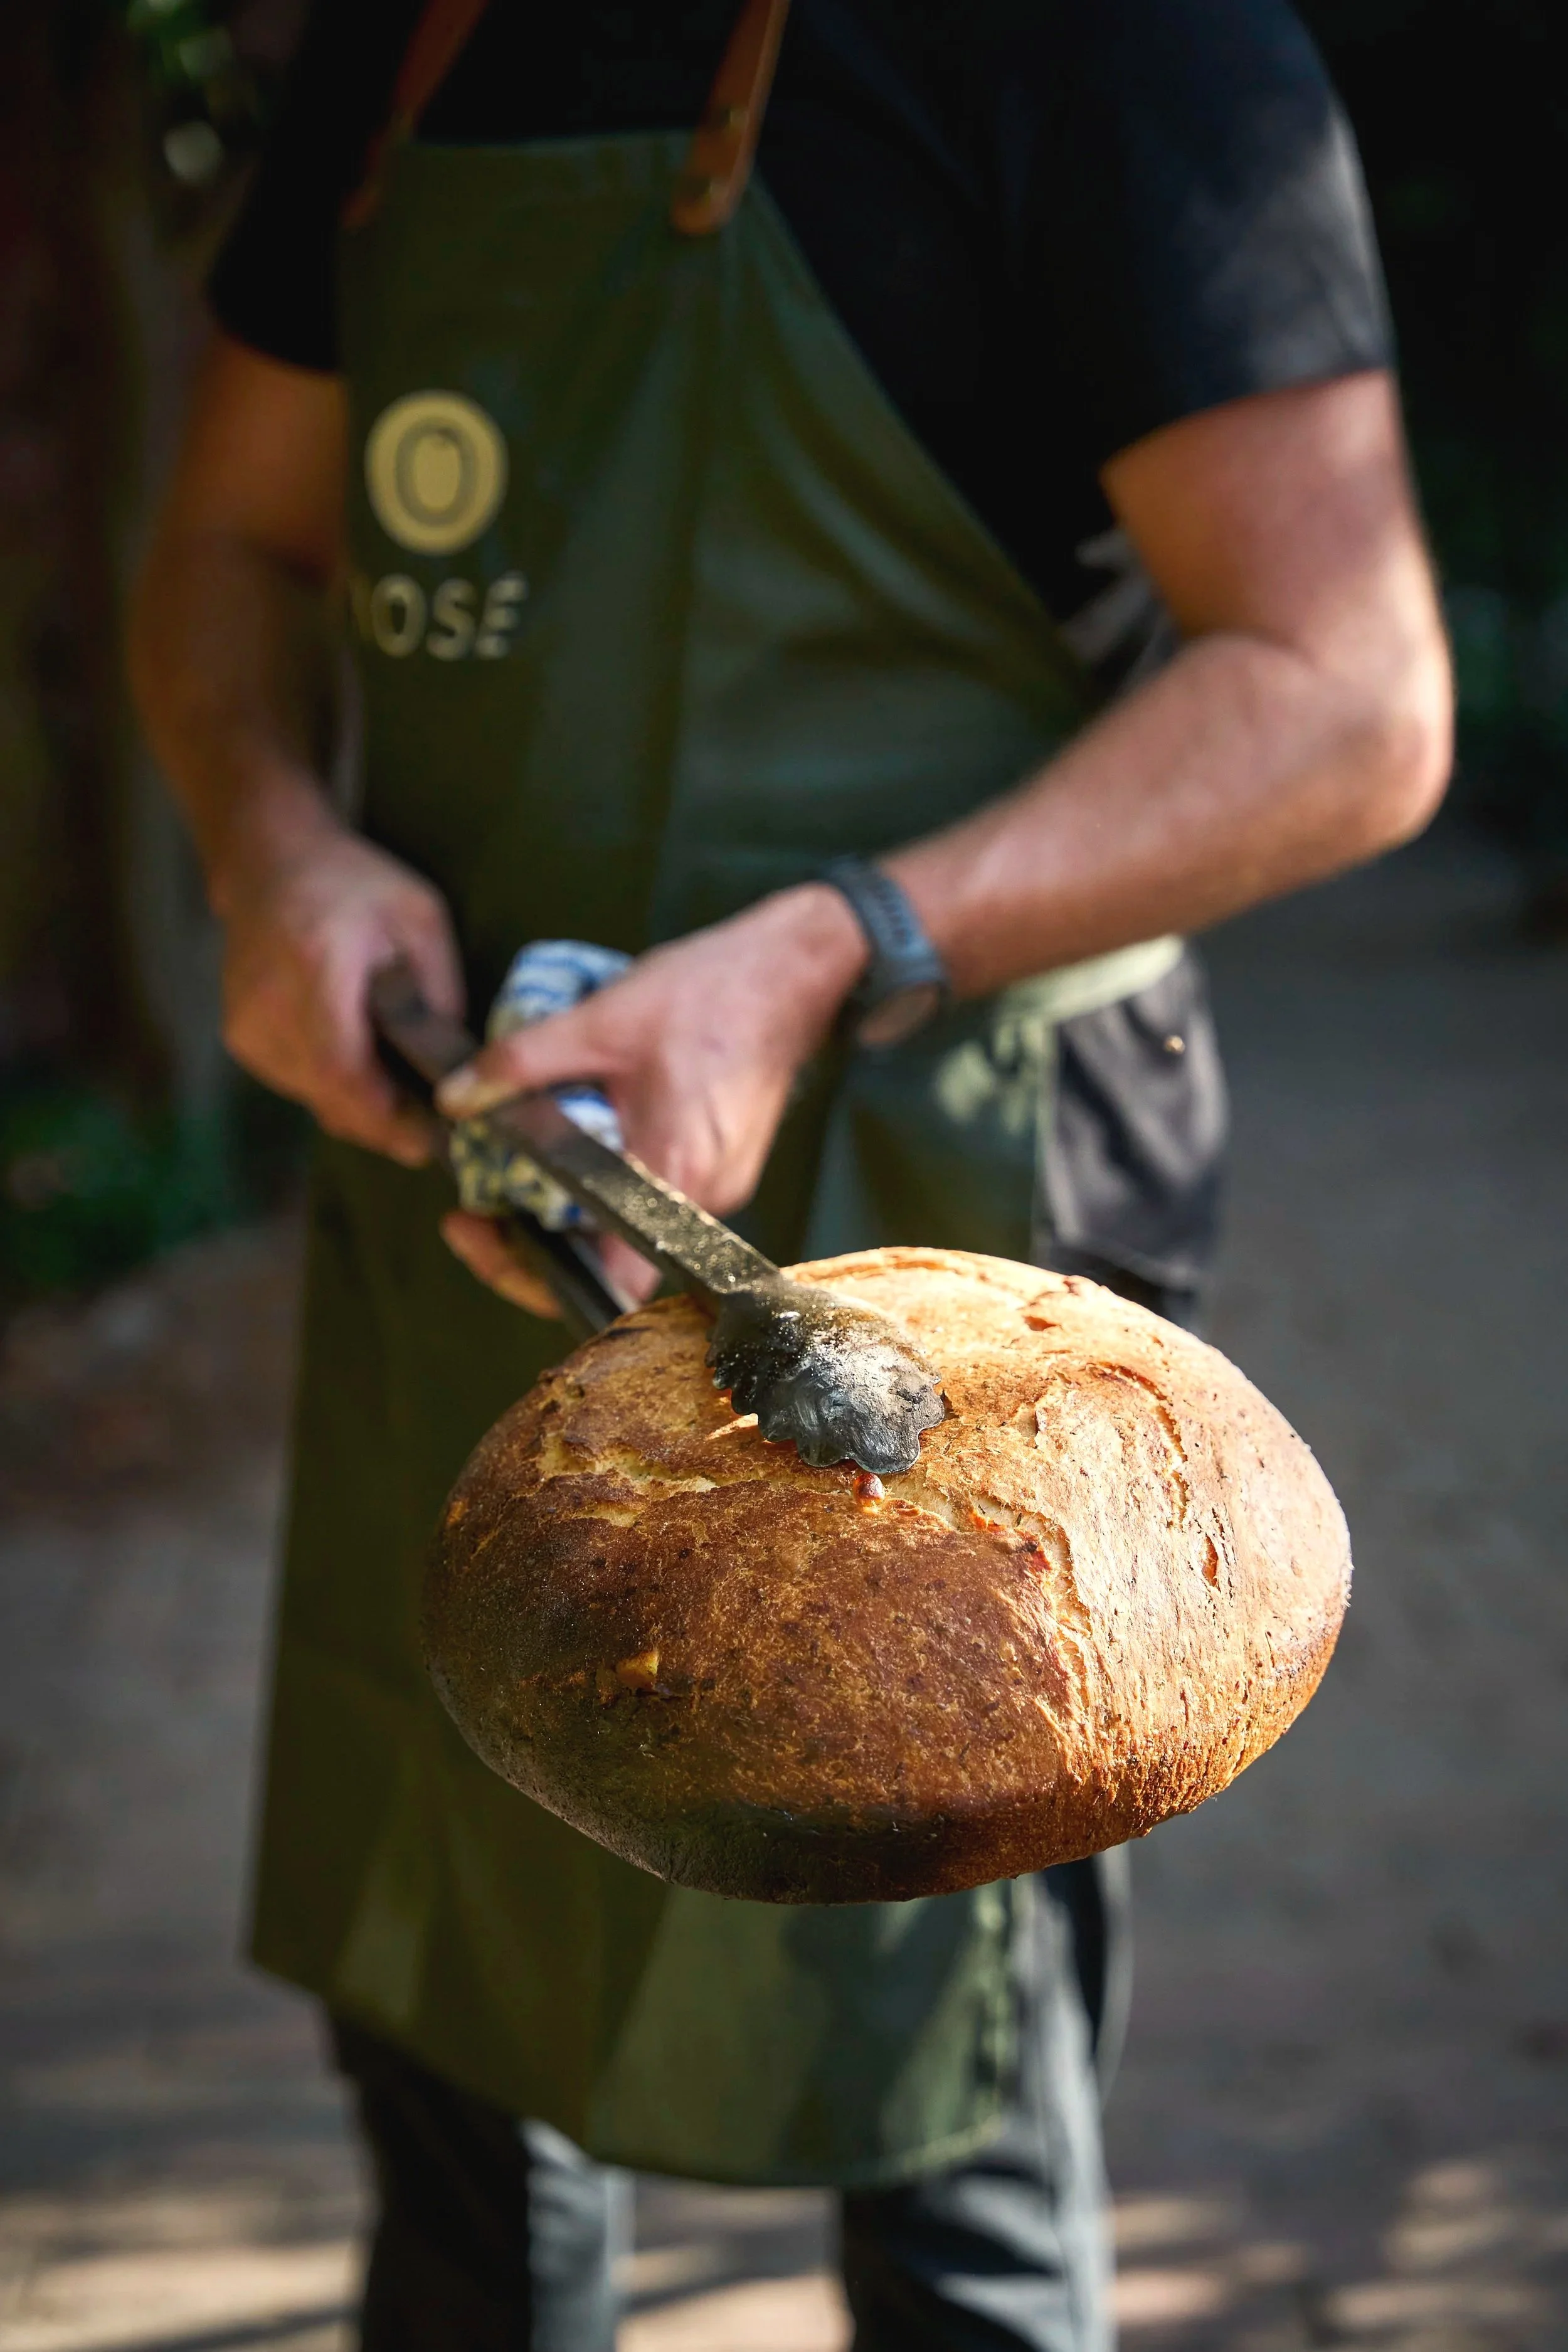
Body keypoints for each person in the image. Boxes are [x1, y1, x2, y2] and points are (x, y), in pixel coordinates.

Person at [130, 0, 1451, 2344]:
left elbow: (1350, 693)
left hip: (957, 1254)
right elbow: (230, 543)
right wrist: (276, 853)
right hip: (478, 1176)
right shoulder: (406, 46)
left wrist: (846, 936)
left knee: (940, 2105)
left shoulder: (1117, 55)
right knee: (454, 2038)